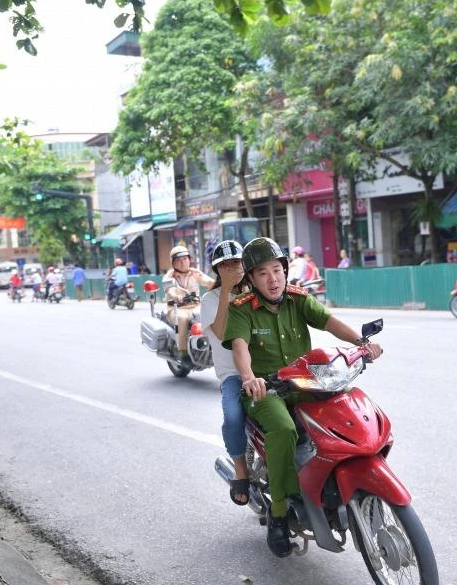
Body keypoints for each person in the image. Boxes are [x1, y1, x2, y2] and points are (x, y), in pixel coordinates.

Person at [222, 237, 383, 558]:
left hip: (307, 383)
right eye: (264, 273)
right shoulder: (241, 310)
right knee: (283, 429)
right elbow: (240, 348)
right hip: (266, 390)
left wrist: (361, 342)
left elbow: (330, 322)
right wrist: (250, 378)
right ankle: (279, 514)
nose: (274, 279)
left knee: (345, 409)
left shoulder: (298, 299)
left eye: (278, 270)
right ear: (251, 279)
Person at [200, 240, 251, 505]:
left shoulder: (256, 289)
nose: (232, 268)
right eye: (225, 265)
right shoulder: (209, 300)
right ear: (217, 270)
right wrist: (226, 293)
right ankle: (240, 468)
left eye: (236, 262)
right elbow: (220, 333)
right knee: (233, 417)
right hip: (233, 373)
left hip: (263, 367)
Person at [162, 245, 214, 366]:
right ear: (173, 262)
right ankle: (183, 352)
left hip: (195, 306)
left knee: (214, 313)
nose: (183, 262)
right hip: (177, 308)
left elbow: (209, 282)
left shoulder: (195, 273)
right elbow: (169, 289)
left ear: (189, 259)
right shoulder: (170, 276)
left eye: (185, 258)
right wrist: (176, 296)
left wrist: (222, 285)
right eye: (179, 260)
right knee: (183, 318)